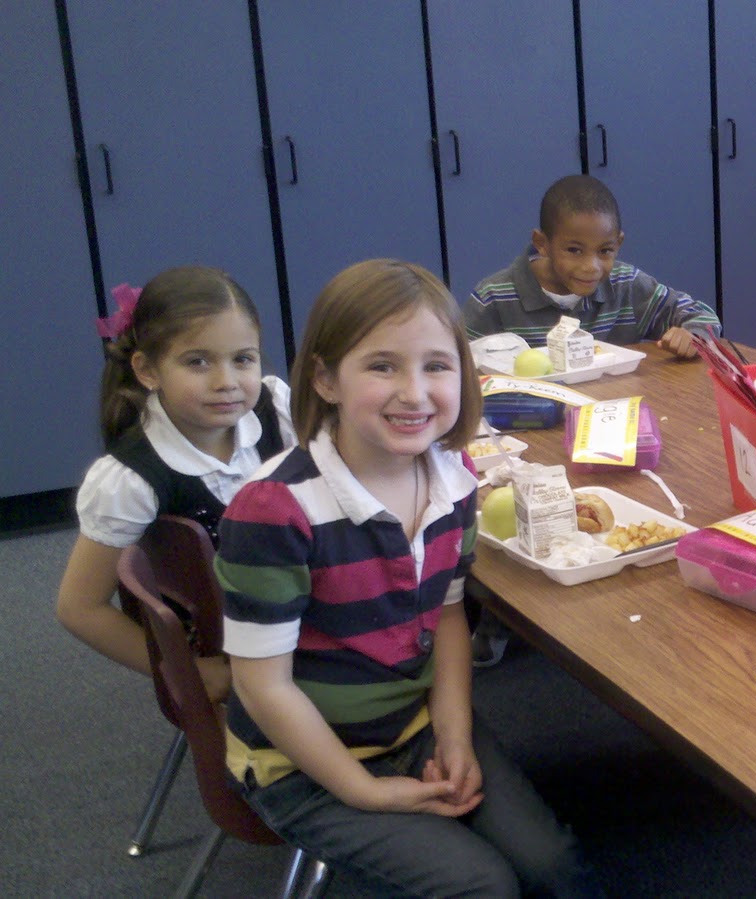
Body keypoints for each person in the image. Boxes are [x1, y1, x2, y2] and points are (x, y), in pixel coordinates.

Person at [216, 259, 598, 896]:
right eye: (382, 366)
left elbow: (446, 616)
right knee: (481, 885)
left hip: (413, 723)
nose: (415, 393)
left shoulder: (455, 481)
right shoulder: (275, 511)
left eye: (436, 366)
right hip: (299, 761)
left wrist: (454, 733)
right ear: (326, 379)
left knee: (551, 864)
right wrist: (361, 790)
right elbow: (262, 688)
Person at [56, 266, 292, 702]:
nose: (226, 382)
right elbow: (79, 608)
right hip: (236, 655)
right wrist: (186, 671)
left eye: (243, 359)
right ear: (148, 370)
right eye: (197, 361)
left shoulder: (275, 409)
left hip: (302, 616)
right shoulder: (131, 479)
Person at [463, 173, 720, 358]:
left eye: (605, 251)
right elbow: (461, 368)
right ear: (542, 244)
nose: (591, 267)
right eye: (574, 250)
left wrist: (694, 336)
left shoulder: (626, 285)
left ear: (618, 243)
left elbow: (701, 315)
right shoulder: (494, 298)